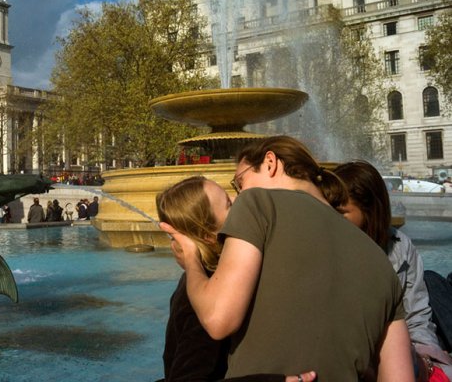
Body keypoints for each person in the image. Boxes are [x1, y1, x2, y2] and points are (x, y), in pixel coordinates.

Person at [160, 136, 413, 380]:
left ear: (270, 163)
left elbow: (218, 319)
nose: (238, 196)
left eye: (239, 182)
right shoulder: (381, 263)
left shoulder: (258, 204)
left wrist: (191, 257)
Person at [156, 175, 316, 382]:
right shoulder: (204, 294)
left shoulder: (222, 274)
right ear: (208, 235)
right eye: (229, 203)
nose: (239, 199)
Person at [334, 160, 452, 381]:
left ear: (369, 210)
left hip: (402, 354)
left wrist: (424, 357)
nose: (332, 219)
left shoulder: (400, 245)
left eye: (341, 213)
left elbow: (417, 316)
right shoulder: (327, 246)